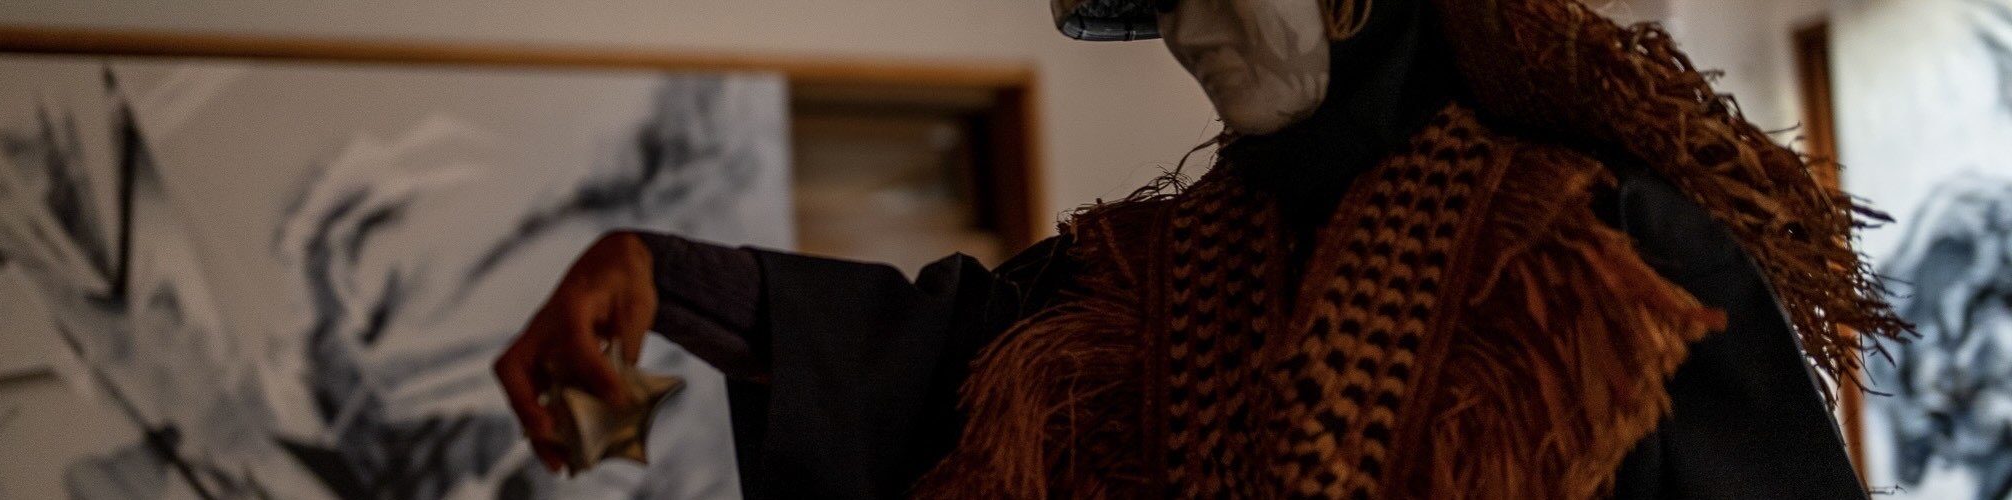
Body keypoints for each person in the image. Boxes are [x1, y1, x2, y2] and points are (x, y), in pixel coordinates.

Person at [494, 0, 1910, 497]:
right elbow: (930, 361)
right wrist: (659, 274)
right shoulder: (1145, 283)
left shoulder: (1602, 259)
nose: (1179, 28)